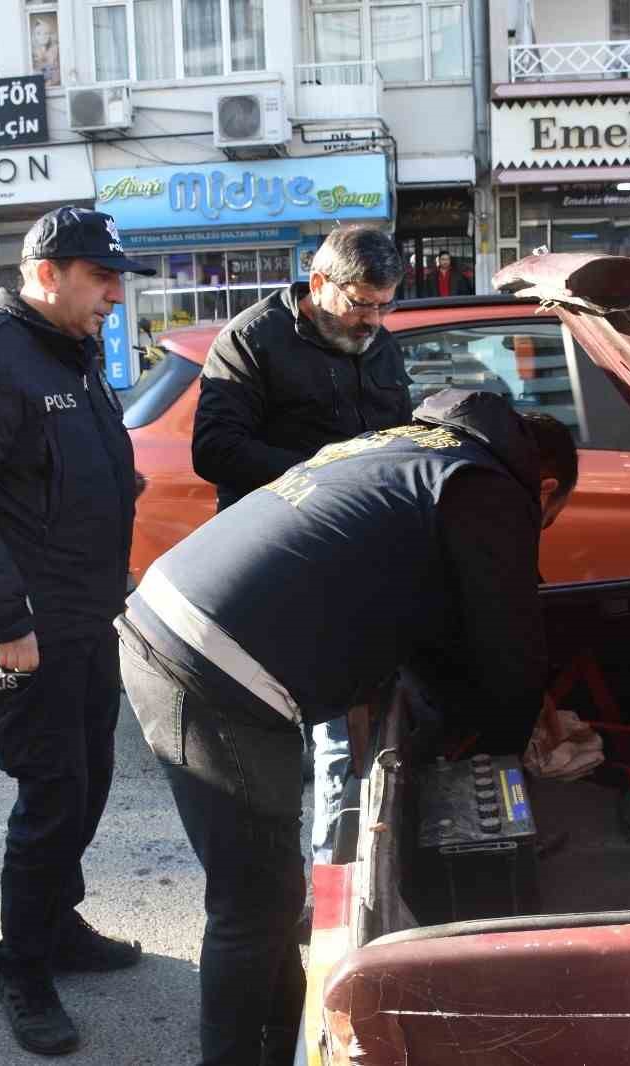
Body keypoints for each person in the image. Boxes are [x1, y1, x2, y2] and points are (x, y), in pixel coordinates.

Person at [119, 388, 576, 1065]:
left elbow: (426, 614)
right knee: (252, 905)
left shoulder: (409, 448)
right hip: (211, 662)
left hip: (178, 620)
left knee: (266, 890)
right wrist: (505, 763)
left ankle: (280, 1040)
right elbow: (508, 650)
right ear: (545, 488)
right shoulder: (487, 487)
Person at [0, 207, 153, 1056]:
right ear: (47, 274)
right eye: (101, 279)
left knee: (87, 785)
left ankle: (59, 923)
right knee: (51, 800)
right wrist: (1, 620)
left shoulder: (72, 353)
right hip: (29, 631)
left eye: (117, 280)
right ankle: (22, 969)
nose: (114, 297)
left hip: (89, 617)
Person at [191, 225, 413, 875]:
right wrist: (322, 474)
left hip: (359, 563)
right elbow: (215, 450)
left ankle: (332, 884)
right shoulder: (251, 341)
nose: (373, 320)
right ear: (319, 285)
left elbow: (394, 431)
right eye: (362, 304)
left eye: (385, 305)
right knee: (289, 746)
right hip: (279, 564)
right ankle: (276, 894)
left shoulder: (378, 344)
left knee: (349, 734)